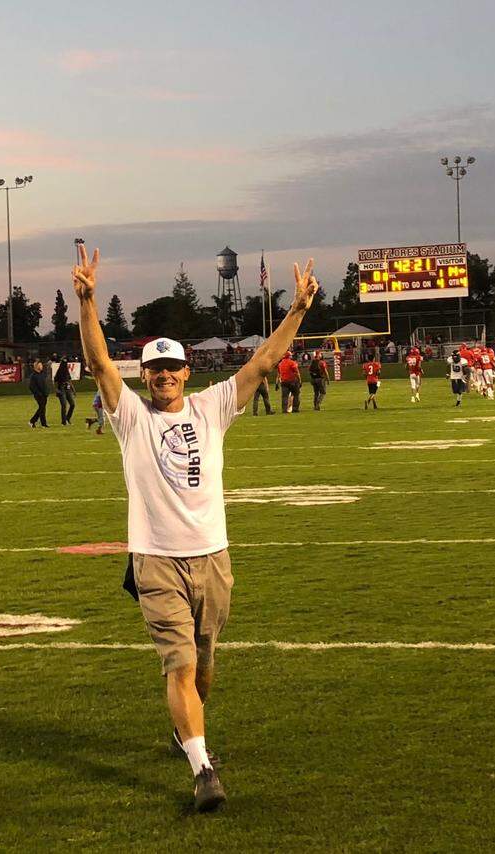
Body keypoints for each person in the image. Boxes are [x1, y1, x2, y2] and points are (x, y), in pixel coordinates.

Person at [72, 243, 318, 813]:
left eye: (171, 368)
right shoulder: (129, 417)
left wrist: (299, 310)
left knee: (203, 668)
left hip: (213, 559)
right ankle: (203, 768)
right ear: (145, 374)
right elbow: (99, 365)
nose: (162, 377)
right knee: (179, 665)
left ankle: (187, 732)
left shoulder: (211, 408)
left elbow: (259, 364)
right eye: (153, 369)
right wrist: (88, 304)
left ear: (186, 371)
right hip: (155, 562)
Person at [27, 359, 51, 428]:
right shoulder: (33, 376)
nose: (41, 366)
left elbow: (44, 384)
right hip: (39, 395)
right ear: (36, 366)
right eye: (40, 365)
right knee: (42, 408)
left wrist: (46, 392)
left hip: (44, 394)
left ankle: (32, 421)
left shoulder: (42, 374)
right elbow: (31, 387)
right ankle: (43, 424)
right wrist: (38, 393)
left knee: (41, 408)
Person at [55, 359, 76, 425]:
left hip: (68, 389)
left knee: (72, 404)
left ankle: (67, 418)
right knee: (64, 405)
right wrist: (57, 389)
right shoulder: (59, 372)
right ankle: (64, 421)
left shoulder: (67, 372)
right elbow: (55, 381)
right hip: (61, 389)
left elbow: (69, 381)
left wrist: (73, 390)